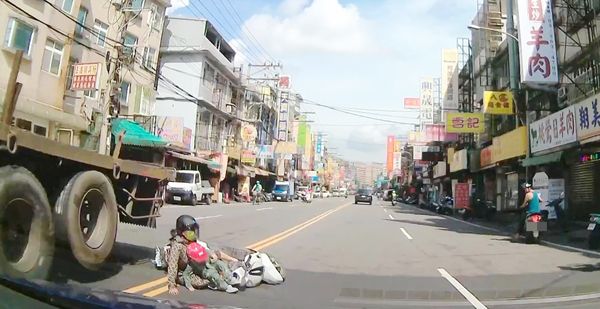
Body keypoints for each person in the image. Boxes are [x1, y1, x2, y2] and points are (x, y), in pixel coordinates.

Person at [167, 215, 240, 295]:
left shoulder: (192, 240)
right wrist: (172, 285)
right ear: (182, 232)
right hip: (187, 272)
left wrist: (211, 254)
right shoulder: (177, 246)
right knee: (200, 282)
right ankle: (219, 283)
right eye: (192, 231)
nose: (194, 233)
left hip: (200, 265)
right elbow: (172, 265)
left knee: (220, 264)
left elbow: (203, 250)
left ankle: (229, 278)